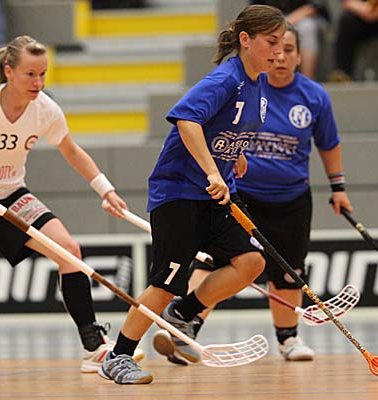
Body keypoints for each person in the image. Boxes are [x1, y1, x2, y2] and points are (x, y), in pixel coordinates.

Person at [97, 4, 286, 385]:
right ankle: (117, 356)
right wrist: (213, 169)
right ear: (245, 40)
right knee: (165, 284)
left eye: (282, 43)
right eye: (271, 42)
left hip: (217, 196)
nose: (278, 52)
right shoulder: (226, 78)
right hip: (180, 193)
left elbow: (228, 126)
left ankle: (185, 313)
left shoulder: (258, 83)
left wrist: (236, 154)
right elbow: (187, 119)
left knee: (251, 262)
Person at [152, 22, 353, 365]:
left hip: (291, 198)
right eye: (275, 47)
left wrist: (338, 187)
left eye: (288, 49)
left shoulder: (314, 96)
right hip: (241, 194)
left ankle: (288, 340)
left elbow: (329, 143)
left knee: (288, 271)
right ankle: (185, 330)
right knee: (217, 263)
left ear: (300, 56)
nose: (280, 56)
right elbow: (212, 126)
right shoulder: (245, 84)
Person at [0, 35, 143, 373]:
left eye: (43, 74)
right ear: (9, 71)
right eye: (30, 74)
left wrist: (106, 189)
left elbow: (71, 150)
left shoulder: (45, 110)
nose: (38, 83)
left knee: (70, 252)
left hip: (12, 195)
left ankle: (93, 348)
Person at [250, 1, 330, 80]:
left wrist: (285, 21)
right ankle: (262, 79)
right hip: (274, 19)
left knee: (307, 27)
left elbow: (314, 7)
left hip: (308, 18)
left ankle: (307, 80)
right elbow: (256, 10)